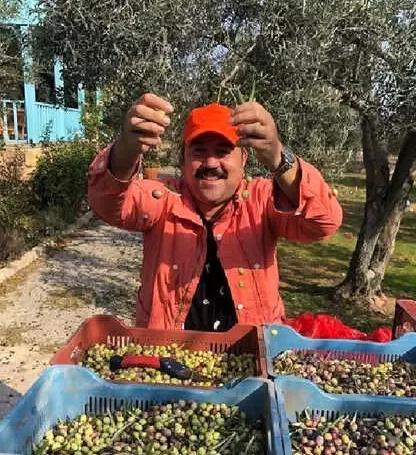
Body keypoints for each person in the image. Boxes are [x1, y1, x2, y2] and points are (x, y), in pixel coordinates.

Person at [88, 93, 343, 330]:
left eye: (223, 152)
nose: (211, 163)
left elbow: (325, 223)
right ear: (183, 159)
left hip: (252, 358)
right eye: (199, 151)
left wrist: (278, 158)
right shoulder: (163, 198)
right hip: (167, 359)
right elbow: (108, 204)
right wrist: (127, 148)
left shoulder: (262, 199)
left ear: (243, 159)